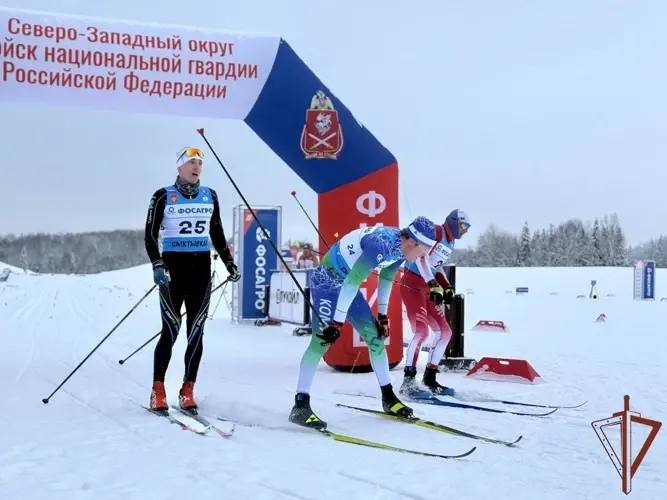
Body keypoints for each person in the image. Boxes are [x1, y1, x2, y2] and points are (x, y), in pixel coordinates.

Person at [289, 217, 439, 430]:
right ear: (413, 241)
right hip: (328, 283)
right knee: (321, 342)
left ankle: (389, 398)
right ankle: (300, 405)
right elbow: (352, 281)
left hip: (347, 286)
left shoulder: (402, 249)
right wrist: (337, 323)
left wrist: (383, 315)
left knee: (375, 338)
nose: (424, 256)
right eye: (425, 250)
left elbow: (386, 277)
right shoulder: (381, 243)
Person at [144, 146, 241, 413]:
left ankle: (188, 389)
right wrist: (157, 264)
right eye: (191, 162)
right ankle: (158, 390)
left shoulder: (210, 196)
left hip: (200, 269)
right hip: (172, 270)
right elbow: (150, 234)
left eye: (199, 163)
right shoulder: (163, 196)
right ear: (180, 167)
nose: (196, 167)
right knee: (170, 330)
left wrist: (229, 262)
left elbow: (217, 232)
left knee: (196, 331)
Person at [400, 209, 471, 397]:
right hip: (412, 284)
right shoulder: (437, 233)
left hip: (427, 287)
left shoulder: (450, 242)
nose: (465, 231)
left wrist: (446, 286)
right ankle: (408, 382)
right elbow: (421, 259)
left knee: (445, 332)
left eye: (467, 228)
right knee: (421, 332)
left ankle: (430, 378)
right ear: (454, 222)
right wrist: (433, 284)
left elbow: (436, 265)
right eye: (464, 226)